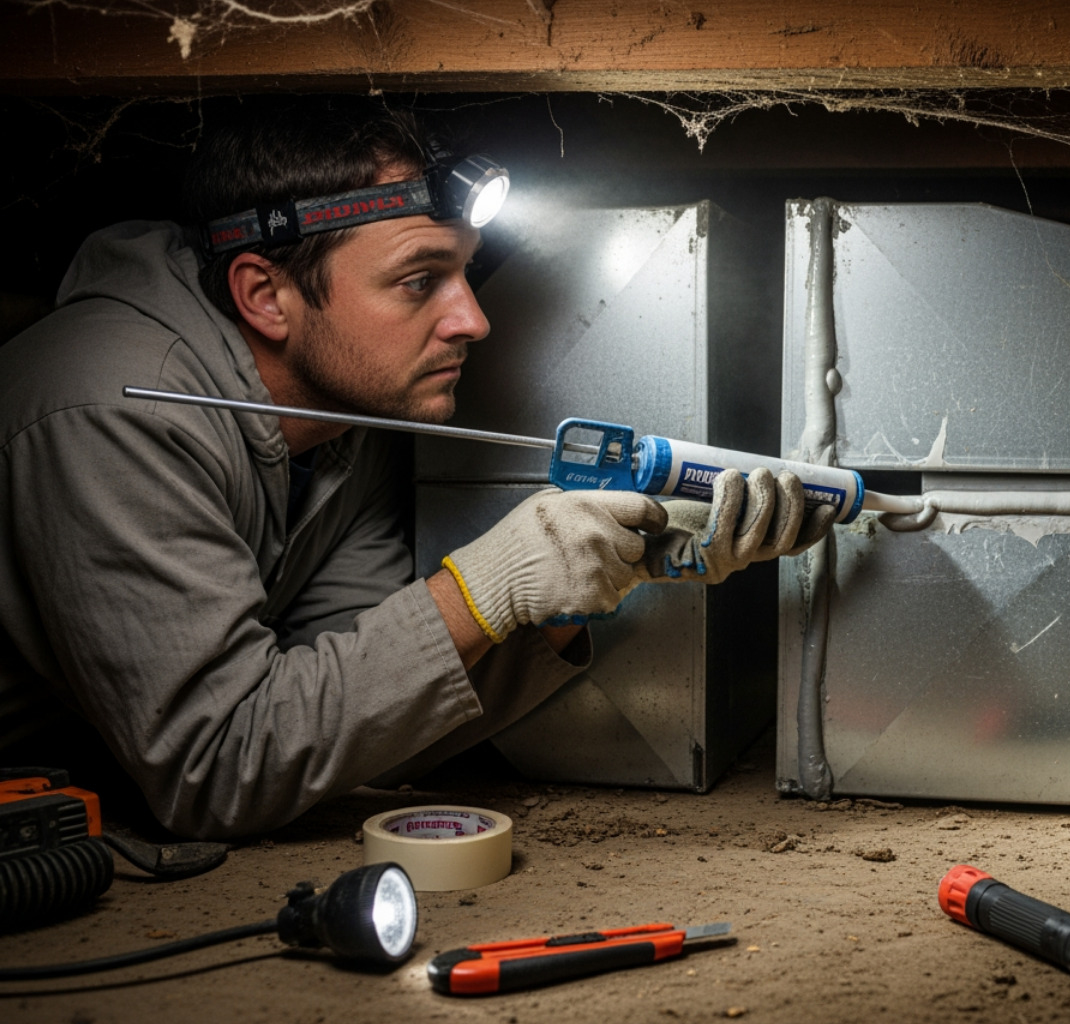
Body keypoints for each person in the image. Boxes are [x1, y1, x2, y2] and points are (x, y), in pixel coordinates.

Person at [0, 99, 831, 839]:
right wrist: (487, 585)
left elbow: (338, 721)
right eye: (419, 280)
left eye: (465, 271)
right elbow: (221, 767)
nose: (472, 317)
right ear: (265, 295)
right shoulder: (113, 408)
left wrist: (579, 593)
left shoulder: (349, 423)